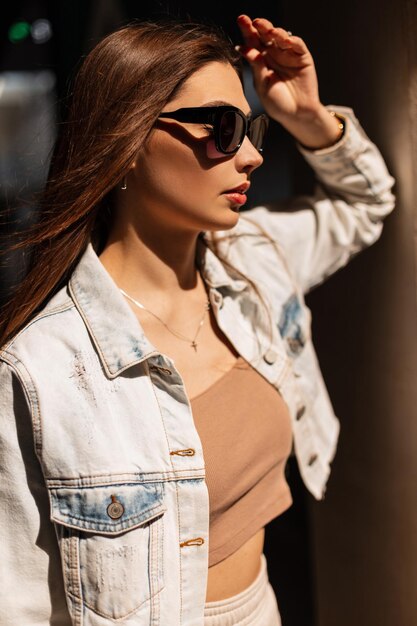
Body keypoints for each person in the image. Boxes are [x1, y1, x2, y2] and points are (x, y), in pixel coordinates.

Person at [0, 13, 394, 626]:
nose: (255, 155)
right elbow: (17, 604)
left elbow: (368, 201)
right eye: (224, 127)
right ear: (127, 140)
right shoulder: (40, 371)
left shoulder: (254, 263)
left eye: (253, 126)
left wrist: (310, 117)